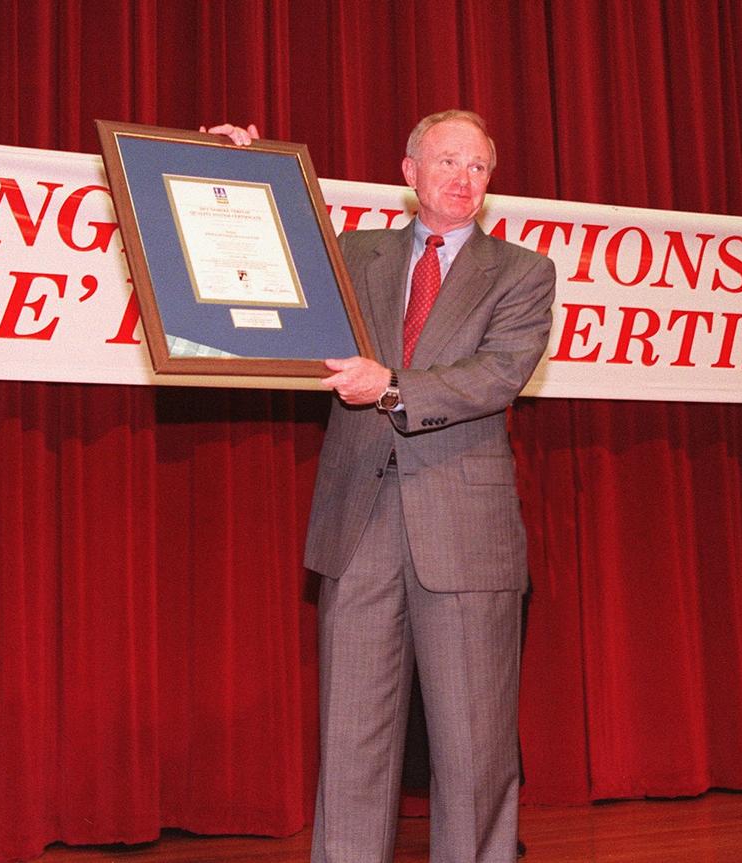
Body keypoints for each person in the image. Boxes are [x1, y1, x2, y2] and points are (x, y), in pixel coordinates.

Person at [208, 111, 555, 863]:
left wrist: (391, 385)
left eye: (478, 166)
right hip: (358, 519)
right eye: (447, 161)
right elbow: (277, 262)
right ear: (409, 172)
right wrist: (246, 171)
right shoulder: (353, 252)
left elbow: (496, 377)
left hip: (465, 529)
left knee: (473, 750)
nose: (463, 178)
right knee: (352, 743)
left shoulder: (524, 272)